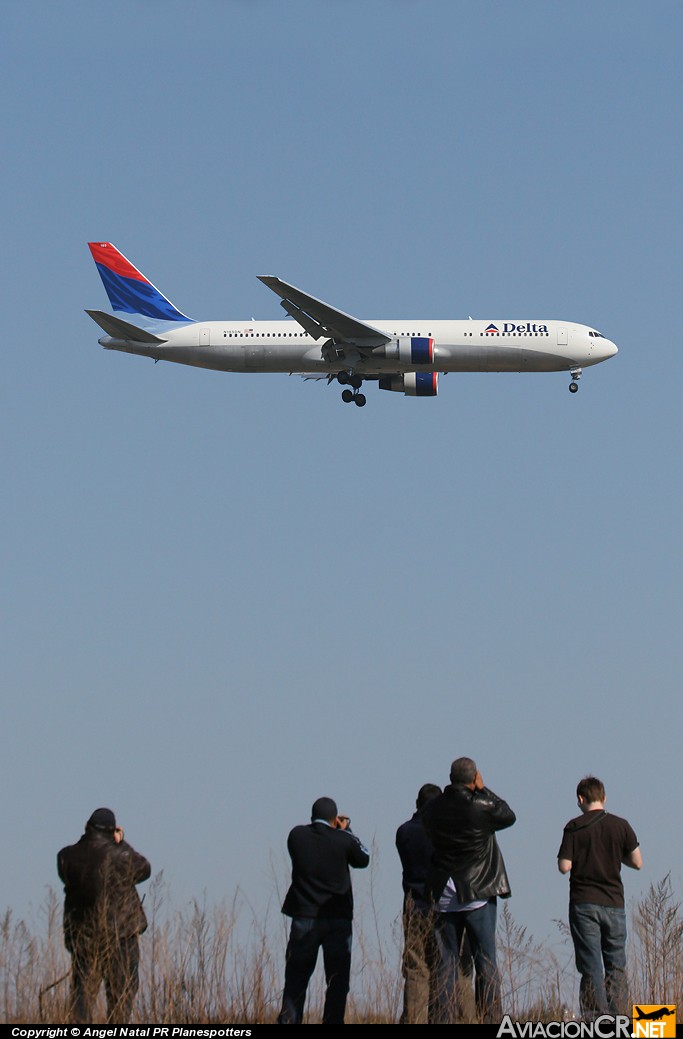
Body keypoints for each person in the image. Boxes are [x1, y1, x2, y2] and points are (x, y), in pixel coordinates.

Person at [422, 757, 515, 1023]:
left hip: (444, 893)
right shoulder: (481, 806)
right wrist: (483, 789)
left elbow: (429, 831)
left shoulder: (432, 809)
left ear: (450, 777)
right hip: (478, 892)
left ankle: (442, 1018)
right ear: (474, 778)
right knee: (485, 961)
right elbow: (508, 814)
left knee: (445, 963)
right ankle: (491, 1019)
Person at [277, 796, 369, 1025]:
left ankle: (289, 1020)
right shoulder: (343, 840)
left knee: (296, 979)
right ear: (334, 819)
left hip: (304, 917)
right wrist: (347, 830)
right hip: (338, 919)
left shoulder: (296, 836)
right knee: (337, 982)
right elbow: (363, 858)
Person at [558, 776, 642, 1018]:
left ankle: (596, 1018)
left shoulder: (574, 826)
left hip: (584, 903)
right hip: (614, 903)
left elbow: (564, 866)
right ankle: (620, 1018)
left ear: (580, 799)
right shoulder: (621, 825)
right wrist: (617, 857)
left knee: (591, 964)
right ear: (604, 798)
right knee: (616, 965)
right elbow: (638, 862)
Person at [57, 808, 151, 1023]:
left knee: (82, 998)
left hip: (84, 937)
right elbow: (144, 868)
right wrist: (122, 843)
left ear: (87, 827)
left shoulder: (66, 857)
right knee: (121, 995)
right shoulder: (120, 856)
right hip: (122, 936)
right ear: (112, 831)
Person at [396, 783, 442, 1024]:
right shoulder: (444, 832)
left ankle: (412, 1019)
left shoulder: (404, 832)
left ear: (417, 803)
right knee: (442, 968)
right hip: (442, 906)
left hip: (414, 905)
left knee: (415, 968)